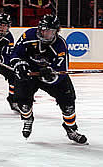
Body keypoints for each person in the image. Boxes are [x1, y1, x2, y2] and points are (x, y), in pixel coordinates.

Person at [10, 14, 87, 144]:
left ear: (56, 32)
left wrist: (51, 75)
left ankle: (71, 129)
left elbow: (61, 72)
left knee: (68, 103)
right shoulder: (28, 35)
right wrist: (20, 66)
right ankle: (28, 119)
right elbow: (15, 53)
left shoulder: (60, 45)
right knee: (23, 103)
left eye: (50, 31)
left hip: (48, 75)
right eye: (43, 30)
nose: (46, 34)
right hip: (29, 73)